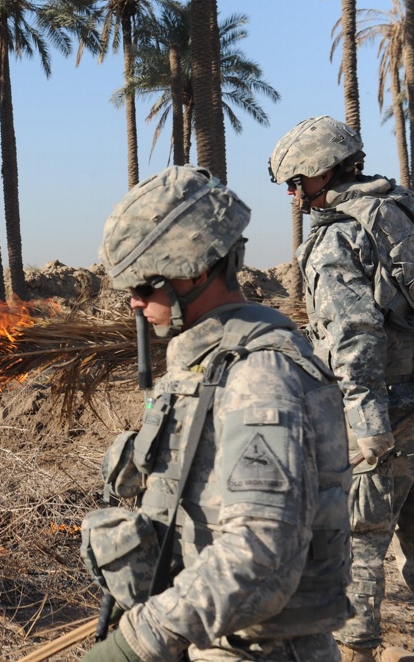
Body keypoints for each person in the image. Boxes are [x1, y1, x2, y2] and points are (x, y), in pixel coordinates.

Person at [82, 165, 352, 661]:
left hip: (261, 648)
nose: (136, 304)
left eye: (145, 287)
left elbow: (263, 547)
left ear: (195, 271)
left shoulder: (258, 375)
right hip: (217, 634)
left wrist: (143, 639)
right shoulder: (208, 361)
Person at [269, 115, 414, 662]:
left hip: (385, 415)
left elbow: (355, 339)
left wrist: (368, 427)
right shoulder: (399, 209)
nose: (292, 192)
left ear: (324, 172)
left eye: (297, 180)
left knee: (360, 541)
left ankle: (357, 653)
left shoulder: (337, 239)